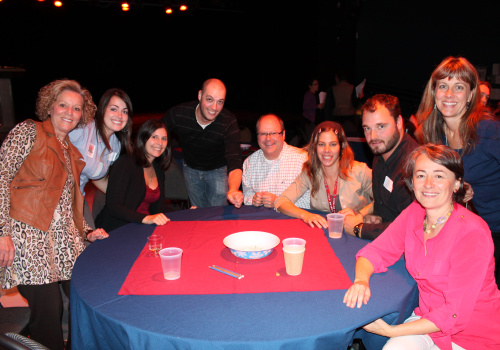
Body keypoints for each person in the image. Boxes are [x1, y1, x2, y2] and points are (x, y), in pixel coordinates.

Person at [344, 144, 500, 350]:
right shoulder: (415, 212)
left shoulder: (472, 232)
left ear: (456, 184)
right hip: (427, 321)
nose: (428, 184)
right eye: (420, 175)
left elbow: (455, 313)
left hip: (471, 334)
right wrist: (361, 281)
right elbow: (376, 251)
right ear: (412, 183)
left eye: (439, 176)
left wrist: (390, 331)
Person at [0, 79, 108, 350]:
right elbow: (1, 178)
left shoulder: (72, 151)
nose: (69, 113)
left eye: (76, 108)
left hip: (64, 242)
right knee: (50, 310)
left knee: (84, 298)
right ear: (49, 107)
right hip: (29, 238)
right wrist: (2, 233)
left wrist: (87, 231)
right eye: (63, 105)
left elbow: (69, 204)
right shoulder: (28, 131)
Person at [415, 56, 500, 288]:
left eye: (459, 87)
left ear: (471, 94)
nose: (449, 94)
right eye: (443, 86)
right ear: (434, 92)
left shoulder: (487, 129)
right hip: (473, 230)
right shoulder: (435, 134)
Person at [343, 94, 419, 240]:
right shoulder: (381, 152)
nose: (372, 136)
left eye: (381, 126)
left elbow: (410, 230)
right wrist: (367, 216)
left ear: (399, 122)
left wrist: (359, 229)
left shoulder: (415, 165)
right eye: (367, 128)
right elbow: (384, 204)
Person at [162, 78, 243, 208]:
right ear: (200, 95)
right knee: (197, 214)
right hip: (191, 169)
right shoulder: (179, 114)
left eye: (220, 102)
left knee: (217, 216)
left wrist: (233, 189)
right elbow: (157, 132)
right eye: (209, 99)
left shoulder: (229, 121)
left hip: (219, 170)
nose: (214, 108)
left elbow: (234, 161)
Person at [275, 121, 372, 228]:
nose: (327, 150)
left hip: (358, 229)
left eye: (333, 144)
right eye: (321, 144)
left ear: (342, 146)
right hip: (327, 230)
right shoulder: (310, 172)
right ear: (315, 147)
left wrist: (360, 214)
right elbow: (281, 201)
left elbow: (385, 200)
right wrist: (305, 215)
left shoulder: (361, 170)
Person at [69, 88, 133, 228]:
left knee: (89, 241)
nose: (119, 115)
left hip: (78, 197)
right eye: (114, 109)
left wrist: (128, 197)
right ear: (103, 109)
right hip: (54, 195)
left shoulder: (115, 145)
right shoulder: (84, 128)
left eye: (125, 111)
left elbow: (98, 178)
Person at [96, 119, 171, 232]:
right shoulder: (125, 163)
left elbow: (159, 210)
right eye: (154, 137)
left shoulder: (158, 169)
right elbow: (113, 206)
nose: (160, 143)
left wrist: (185, 212)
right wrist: (145, 218)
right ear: (143, 138)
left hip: (144, 227)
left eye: (164, 139)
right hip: (118, 229)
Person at [242, 114, 310, 209]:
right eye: (263, 133)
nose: (268, 138)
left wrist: (279, 202)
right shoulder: (249, 163)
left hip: (292, 220)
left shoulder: (302, 160)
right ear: (257, 136)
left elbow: (310, 201)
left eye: (273, 133)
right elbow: (247, 194)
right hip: (261, 220)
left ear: (283, 135)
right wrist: (253, 200)